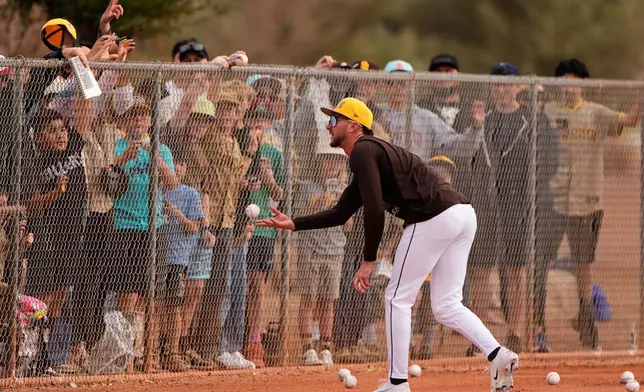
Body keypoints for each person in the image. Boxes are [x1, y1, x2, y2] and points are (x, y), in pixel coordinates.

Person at [256, 97, 518, 392]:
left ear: (353, 126)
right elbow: (342, 211)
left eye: (334, 120)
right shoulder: (370, 157)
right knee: (446, 305)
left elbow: (372, 210)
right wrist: (294, 223)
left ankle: (397, 383)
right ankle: (498, 355)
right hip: (461, 216)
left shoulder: (364, 150)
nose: (329, 125)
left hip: (434, 217)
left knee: (396, 298)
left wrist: (368, 261)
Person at [543, 58, 641, 350]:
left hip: (587, 203)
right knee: (542, 265)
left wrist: (639, 98)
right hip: (553, 201)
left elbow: (629, 121)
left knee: (584, 267)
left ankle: (587, 327)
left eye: (574, 81)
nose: (569, 87)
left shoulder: (596, 113)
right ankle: (539, 330)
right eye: (563, 81)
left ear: (582, 84)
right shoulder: (547, 112)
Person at [468, 63, 558, 356]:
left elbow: (548, 162)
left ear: (518, 87)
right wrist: (476, 126)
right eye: (496, 84)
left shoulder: (532, 121)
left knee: (516, 270)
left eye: (507, 84)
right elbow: (465, 154)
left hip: (517, 204)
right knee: (480, 270)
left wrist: (528, 194)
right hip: (484, 204)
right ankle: (477, 336)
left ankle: (516, 332)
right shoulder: (482, 117)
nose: (501, 89)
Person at [111, 99, 179, 371]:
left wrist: (159, 163)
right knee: (127, 293)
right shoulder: (118, 145)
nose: (138, 122)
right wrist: (123, 157)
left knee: (151, 295)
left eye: (143, 118)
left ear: (150, 122)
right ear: (126, 121)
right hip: (124, 223)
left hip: (154, 226)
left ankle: (149, 357)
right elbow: (106, 178)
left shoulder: (160, 148)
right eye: (133, 118)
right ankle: (125, 358)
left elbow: (173, 184)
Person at [294, 143, 348, 366]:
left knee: (328, 300)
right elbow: (298, 219)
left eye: (336, 161)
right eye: (327, 159)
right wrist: (321, 201)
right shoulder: (307, 187)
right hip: (310, 249)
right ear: (319, 161)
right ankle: (308, 348)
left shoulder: (345, 190)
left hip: (334, 249)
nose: (331, 164)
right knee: (309, 298)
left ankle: (326, 347)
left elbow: (349, 224)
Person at [160, 154, 205, 372]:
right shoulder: (157, 190)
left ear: (184, 166)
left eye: (180, 163)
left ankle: (172, 352)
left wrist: (176, 213)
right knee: (154, 305)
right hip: (157, 257)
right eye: (172, 164)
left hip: (177, 259)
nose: (176, 168)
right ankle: (151, 352)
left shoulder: (190, 194)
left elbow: (194, 227)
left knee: (174, 306)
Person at [378, 60, 458, 160]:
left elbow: (456, 145)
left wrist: (475, 128)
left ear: (412, 86)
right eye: (392, 82)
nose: (398, 88)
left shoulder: (426, 118)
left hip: (416, 174)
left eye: (403, 82)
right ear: (385, 86)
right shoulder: (375, 112)